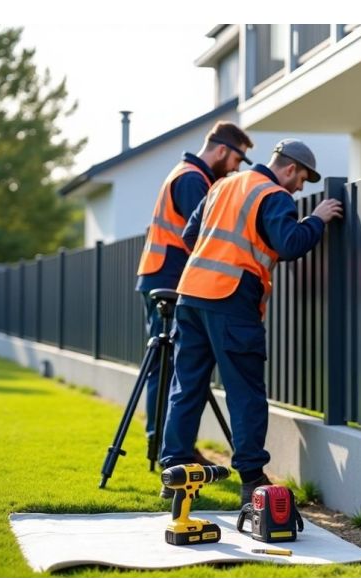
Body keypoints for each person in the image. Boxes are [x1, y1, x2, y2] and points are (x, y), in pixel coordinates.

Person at [159, 139, 343, 504]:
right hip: (231, 298)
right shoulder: (273, 195)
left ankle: (175, 474)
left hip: (191, 294)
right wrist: (317, 220)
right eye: (302, 178)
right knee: (245, 393)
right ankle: (251, 479)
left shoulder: (224, 185)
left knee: (187, 387)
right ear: (289, 168)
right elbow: (290, 244)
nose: (300, 187)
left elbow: (190, 235)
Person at [135, 121, 252, 458]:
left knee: (168, 364)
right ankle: (165, 448)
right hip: (169, 279)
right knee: (171, 366)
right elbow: (204, 235)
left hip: (160, 275)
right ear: (220, 150)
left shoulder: (185, 173)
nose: (235, 169)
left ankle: (164, 445)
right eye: (236, 160)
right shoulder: (192, 180)